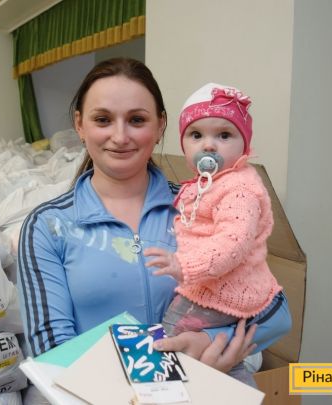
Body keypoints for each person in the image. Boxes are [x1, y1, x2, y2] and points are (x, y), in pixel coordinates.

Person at [17, 59, 257, 403]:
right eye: (103, 120)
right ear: (80, 125)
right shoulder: (49, 226)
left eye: (137, 120)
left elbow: (268, 308)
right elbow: (54, 350)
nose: (120, 136)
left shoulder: (205, 211)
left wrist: (210, 342)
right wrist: (168, 372)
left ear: (160, 126)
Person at [144, 83, 292, 352]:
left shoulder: (239, 189)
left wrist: (184, 265)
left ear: (244, 144)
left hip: (221, 292)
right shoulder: (207, 183)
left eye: (224, 135)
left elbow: (232, 243)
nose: (209, 145)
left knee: (170, 337)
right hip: (209, 282)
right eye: (196, 135)